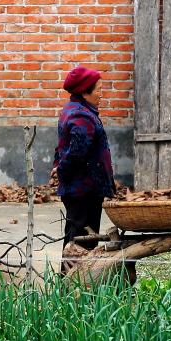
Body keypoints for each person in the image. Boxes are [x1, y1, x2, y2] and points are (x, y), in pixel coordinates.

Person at [54, 65, 115, 259]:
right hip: (83, 189)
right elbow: (76, 153)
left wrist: (58, 167)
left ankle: (73, 281)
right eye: (98, 89)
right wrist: (61, 170)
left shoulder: (75, 109)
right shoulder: (81, 116)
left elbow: (63, 148)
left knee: (77, 234)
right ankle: (74, 281)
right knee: (81, 237)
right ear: (84, 92)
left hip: (82, 188)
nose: (101, 94)